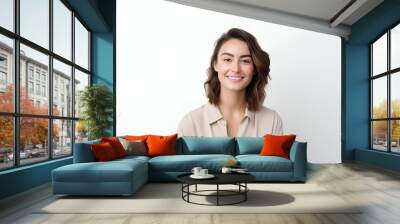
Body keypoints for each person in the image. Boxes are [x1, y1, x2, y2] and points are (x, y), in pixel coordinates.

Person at [178, 28, 283, 137]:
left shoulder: (272, 122)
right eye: (228, 60)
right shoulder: (190, 124)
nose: (236, 69)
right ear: (215, 64)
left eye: (245, 61)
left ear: (255, 68)